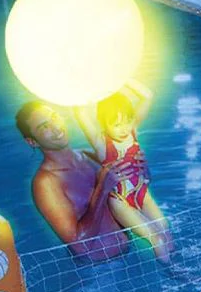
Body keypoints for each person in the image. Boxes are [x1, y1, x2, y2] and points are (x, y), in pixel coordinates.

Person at [16, 100, 135, 264]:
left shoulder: (88, 155)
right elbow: (80, 246)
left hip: (131, 253)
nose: (56, 127)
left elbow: (130, 195)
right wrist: (102, 189)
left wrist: (134, 165)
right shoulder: (46, 182)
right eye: (45, 127)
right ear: (32, 141)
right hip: (101, 270)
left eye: (54, 117)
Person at [74, 80, 174, 264]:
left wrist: (120, 80)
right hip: (119, 200)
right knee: (155, 238)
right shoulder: (100, 142)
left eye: (127, 121)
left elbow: (147, 95)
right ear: (103, 124)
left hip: (141, 192)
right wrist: (91, 85)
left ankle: (173, 263)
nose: (124, 128)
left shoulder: (132, 131)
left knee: (165, 229)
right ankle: (172, 272)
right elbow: (80, 112)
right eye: (116, 124)